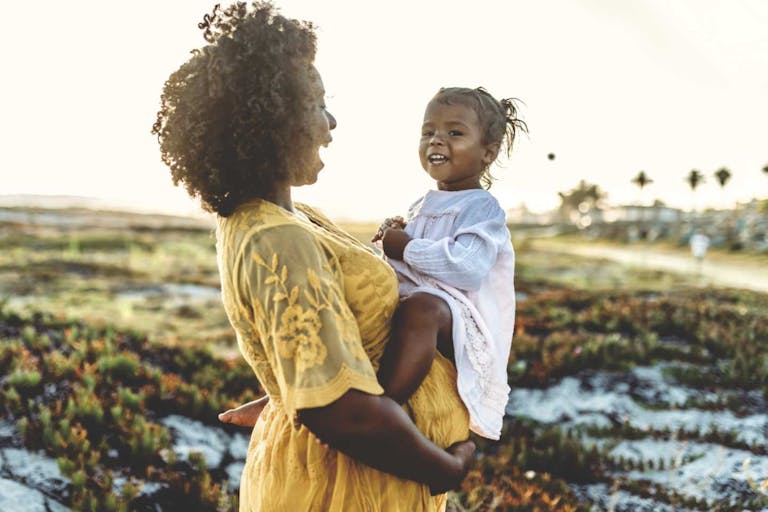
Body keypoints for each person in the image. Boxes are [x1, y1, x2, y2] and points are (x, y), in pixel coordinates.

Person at [152, 3, 474, 511]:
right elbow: (344, 415)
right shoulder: (276, 237)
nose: (332, 120)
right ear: (270, 118)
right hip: (341, 486)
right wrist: (447, 470)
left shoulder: (283, 217)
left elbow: (317, 343)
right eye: (317, 103)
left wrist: (287, 386)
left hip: (339, 470)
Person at [372, 87, 525, 441]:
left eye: (454, 133)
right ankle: (289, 393)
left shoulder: (482, 208)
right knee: (358, 297)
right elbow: (404, 268)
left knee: (423, 307)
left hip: (463, 322)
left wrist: (407, 247)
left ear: (487, 152)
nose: (437, 141)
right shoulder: (420, 204)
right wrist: (386, 243)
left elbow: (467, 269)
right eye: (429, 132)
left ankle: (385, 405)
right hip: (421, 309)